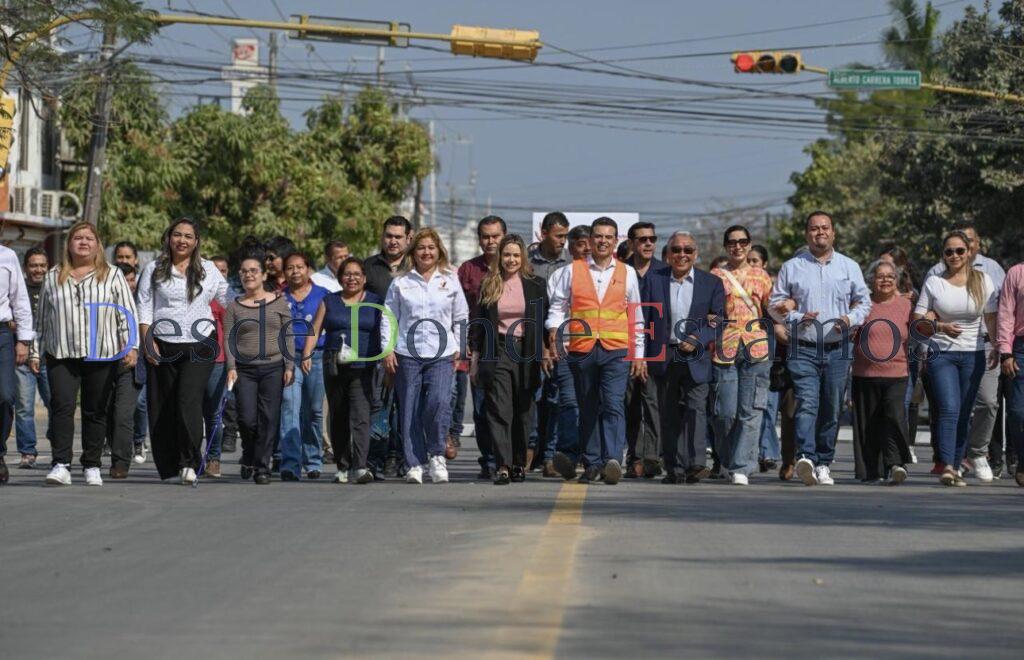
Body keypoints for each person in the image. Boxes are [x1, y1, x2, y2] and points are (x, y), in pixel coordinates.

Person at [30, 221, 137, 486]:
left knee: (95, 410)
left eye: (89, 238)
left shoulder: (112, 275)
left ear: (97, 244)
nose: (83, 242)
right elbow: (41, 320)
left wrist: (131, 346)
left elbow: (127, 313)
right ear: (69, 244)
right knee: (62, 408)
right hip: (61, 353)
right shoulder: (53, 276)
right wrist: (35, 352)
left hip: (101, 353)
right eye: (78, 237)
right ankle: (61, 464)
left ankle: (91, 465)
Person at [769, 211, 871, 487]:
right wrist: (798, 318)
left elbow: (864, 303)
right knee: (807, 402)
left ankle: (824, 462)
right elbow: (774, 305)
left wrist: (849, 319)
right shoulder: (792, 267)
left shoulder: (849, 267)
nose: (820, 232)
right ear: (807, 234)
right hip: (803, 347)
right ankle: (806, 458)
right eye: (814, 229)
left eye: (825, 228)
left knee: (832, 407)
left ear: (833, 233)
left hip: (838, 349)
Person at [547, 217, 646, 485]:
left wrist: (639, 354)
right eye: (598, 236)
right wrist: (555, 331)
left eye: (608, 236)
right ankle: (591, 463)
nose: (603, 241)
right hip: (582, 348)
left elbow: (636, 315)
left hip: (616, 349)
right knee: (588, 405)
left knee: (613, 403)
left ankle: (612, 460)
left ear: (616, 241)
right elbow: (558, 306)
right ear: (590, 240)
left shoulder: (627, 273)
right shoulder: (573, 270)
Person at [137, 218, 228, 484]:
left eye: (188, 236)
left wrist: (255, 301)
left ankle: (190, 462)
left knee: (188, 400)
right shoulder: (153, 269)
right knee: (163, 405)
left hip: (200, 344)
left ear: (196, 241)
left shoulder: (209, 270)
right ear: (169, 238)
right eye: (177, 235)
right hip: (163, 343)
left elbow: (228, 298)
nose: (182, 240)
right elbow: (144, 306)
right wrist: (147, 340)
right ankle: (169, 465)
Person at [381, 228, 468, 485]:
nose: (426, 252)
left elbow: (461, 316)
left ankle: (437, 454)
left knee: (439, 403)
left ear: (438, 250)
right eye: (421, 248)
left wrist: (460, 347)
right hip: (408, 352)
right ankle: (414, 463)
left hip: (442, 353)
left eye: (431, 248)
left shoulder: (450, 280)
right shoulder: (401, 282)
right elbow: (388, 317)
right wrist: (387, 350)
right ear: (413, 252)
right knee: (409, 408)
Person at [914, 230, 998, 487]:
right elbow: (918, 320)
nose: (954, 255)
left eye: (959, 250)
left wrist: (996, 345)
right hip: (942, 354)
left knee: (964, 411)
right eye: (949, 251)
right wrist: (940, 327)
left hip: (974, 355)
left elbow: (991, 317)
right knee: (949, 408)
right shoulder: (934, 282)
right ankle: (948, 465)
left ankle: (958, 463)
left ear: (969, 252)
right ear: (943, 255)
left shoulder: (983, 281)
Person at [471, 234, 550, 484]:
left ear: (523, 257)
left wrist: (547, 350)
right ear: (499, 257)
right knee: (499, 409)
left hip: (526, 351)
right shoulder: (489, 284)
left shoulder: (536, 284)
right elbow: (479, 324)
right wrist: (474, 358)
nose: (511, 260)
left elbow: (544, 323)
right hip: (498, 350)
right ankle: (503, 464)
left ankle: (518, 463)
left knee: (524, 410)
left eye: (516, 255)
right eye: (507, 255)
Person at [303, 257, 382, 484]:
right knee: (338, 415)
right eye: (347, 274)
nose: (352, 278)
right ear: (340, 279)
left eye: (357, 274)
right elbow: (314, 330)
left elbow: (385, 330)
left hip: (365, 365)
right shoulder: (329, 301)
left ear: (364, 278)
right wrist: (307, 354)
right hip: (334, 365)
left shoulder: (375, 302)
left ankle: (360, 466)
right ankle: (343, 466)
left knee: (360, 415)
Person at [656, 231, 726, 484]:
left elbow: (719, 319)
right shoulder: (654, 280)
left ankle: (696, 464)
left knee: (696, 408)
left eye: (687, 250)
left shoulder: (711, 283)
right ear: (668, 254)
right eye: (676, 250)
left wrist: (698, 337)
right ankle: (674, 467)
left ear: (696, 254)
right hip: (665, 354)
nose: (682, 255)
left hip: (696, 354)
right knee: (669, 412)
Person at [709, 225, 773, 486]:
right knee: (725, 412)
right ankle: (726, 459)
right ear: (726, 246)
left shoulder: (762, 276)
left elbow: (771, 310)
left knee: (751, 410)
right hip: (724, 346)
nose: (738, 246)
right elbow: (707, 308)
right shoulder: (715, 276)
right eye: (732, 242)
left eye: (743, 241)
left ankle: (742, 466)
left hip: (756, 347)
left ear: (749, 244)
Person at [225, 254, 294, 484]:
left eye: (254, 270)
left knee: (269, 417)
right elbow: (228, 339)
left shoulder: (279, 301)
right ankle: (248, 453)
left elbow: (288, 334)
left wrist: (289, 365)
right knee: (246, 419)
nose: (249, 275)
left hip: (273, 367)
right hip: (244, 369)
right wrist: (231, 367)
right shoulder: (234, 306)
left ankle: (262, 467)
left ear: (263, 275)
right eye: (244, 271)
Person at [851, 259, 913, 485]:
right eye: (880, 276)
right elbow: (851, 334)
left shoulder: (907, 306)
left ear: (896, 281)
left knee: (894, 416)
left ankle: (896, 463)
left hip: (897, 372)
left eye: (890, 276)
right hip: (864, 373)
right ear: (871, 281)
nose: (885, 280)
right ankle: (872, 471)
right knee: (868, 423)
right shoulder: (862, 305)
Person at [458, 215, 507, 479]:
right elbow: (458, 309)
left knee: (506, 406)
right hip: (478, 346)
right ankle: (488, 459)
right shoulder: (468, 270)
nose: (490, 241)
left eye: (495, 236)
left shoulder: (513, 266)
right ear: (479, 240)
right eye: (486, 236)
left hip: (510, 346)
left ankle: (507, 459)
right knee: (480, 408)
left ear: (504, 236)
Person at [364, 216, 412, 477]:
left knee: (404, 403)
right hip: (374, 346)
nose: (393, 241)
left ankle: (398, 455)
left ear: (408, 238)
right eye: (389, 236)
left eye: (398, 236)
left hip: (408, 344)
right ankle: (376, 457)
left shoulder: (415, 265)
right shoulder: (369, 267)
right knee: (379, 403)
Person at [527, 212, 571, 476]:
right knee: (533, 398)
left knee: (556, 400)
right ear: (543, 234)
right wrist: (541, 346)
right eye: (558, 236)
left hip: (561, 343)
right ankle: (530, 449)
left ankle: (550, 456)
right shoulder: (528, 264)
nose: (562, 242)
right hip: (531, 341)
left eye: (565, 236)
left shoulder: (573, 264)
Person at [279, 251, 329, 481]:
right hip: (288, 359)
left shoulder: (323, 295)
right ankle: (290, 462)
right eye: (290, 267)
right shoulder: (278, 296)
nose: (295, 271)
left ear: (308, 269)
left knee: (314, 410)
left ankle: (313, 460)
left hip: (316, 358)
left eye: (300, 267)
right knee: (290, 405)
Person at [624, 221, 667, 479]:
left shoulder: (665, 272)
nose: (648, 243)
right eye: (642, 239)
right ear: (631, 243)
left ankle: (652, 457)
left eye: (652, 238)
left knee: (653, 405)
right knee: (629, 406)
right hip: (624, 349)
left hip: (657, 350)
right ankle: (634, 457)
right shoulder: (621, 271)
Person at [0, 238, 33, 484]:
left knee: (6, 395)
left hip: (2, 333)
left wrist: (23, 340)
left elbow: (20, 300)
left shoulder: (8, 256)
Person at [14, 246, 50, 469]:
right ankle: (28, 451)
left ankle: (59, 445)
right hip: (22, 357)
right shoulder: (17, 291)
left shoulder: (55, 289)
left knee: (56, 405)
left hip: (51, 357)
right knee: (24, 407)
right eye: (34, 265)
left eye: (42, 265)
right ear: (26, 268)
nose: (38, 270)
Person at [746, 244, 781, 471]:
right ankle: (751, 452)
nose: (750, 266)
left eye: (755, 262)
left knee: (766, 401)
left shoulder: (770, 289)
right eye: (747, 261)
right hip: (739, 344)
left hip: (766, 344)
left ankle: (768, 451)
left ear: (765, 265)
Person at [998, 261, 1024, 487]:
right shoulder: (1017, 273)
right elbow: (1006, 312)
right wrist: (1006, 352)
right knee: (1017, 411)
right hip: (1020, 348)